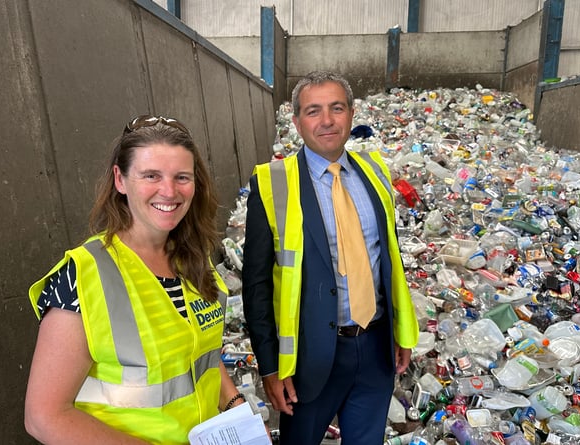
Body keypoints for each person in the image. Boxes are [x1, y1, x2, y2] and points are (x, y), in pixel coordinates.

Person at [24, 115, 247, 444]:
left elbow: (201, 357)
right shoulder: (84, 276)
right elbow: (44, 417)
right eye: (151, 176)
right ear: (120, 179)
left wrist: (234, 407)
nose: (169, 191)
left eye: (181, 177)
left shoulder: (194, 260)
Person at [242, 71, 419, 444]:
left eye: (336, 108)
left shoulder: (375, 172)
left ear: (352, 114)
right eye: (313, 111)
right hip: (310, 358)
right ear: (296, 122)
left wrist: (400, 333)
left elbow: (387, 261)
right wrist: (270, 367)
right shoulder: (272, 182)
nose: (326, 121)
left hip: (375, 348)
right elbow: (256, 284)